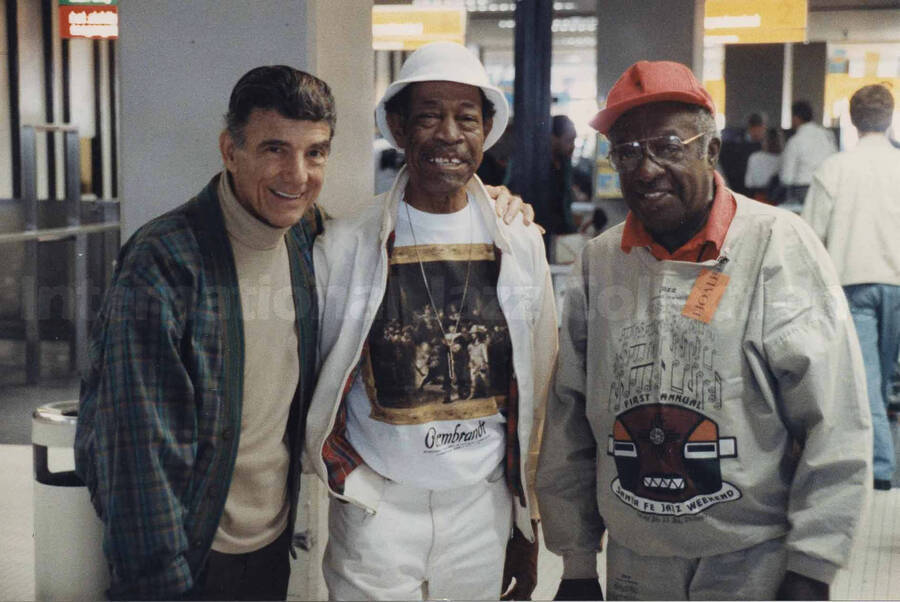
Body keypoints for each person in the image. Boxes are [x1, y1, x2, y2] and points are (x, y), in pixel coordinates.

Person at [73, 65, 530, 601]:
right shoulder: (166, 262)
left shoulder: (306, 239)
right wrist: (158, 582)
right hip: (187, 552)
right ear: (229, 150)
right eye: (273, 149)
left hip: (268, 541)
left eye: (314, 152)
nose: (297, 174)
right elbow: (134, 448)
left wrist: (495, 204)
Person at [536, 60, 872, 601]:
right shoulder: (601, 262)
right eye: (627, 151)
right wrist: (576, 563)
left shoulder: (777, 247)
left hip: (752, 560)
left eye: (668, 145)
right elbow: (570, 418)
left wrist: (813, 567)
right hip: (635, 560)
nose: (645, 169)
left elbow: (834, 416)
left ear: (710, 151)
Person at [305, 41, 557, 601]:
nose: (449, 134)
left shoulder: (519, 243)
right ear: (398, 128)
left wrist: (527, 517)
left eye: (466, 118)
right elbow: (318, 373)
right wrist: (348, 479)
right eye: (429, 117)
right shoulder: (345, 244)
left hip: (481, 507)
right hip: (377, 510)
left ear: (486, 131)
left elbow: (540, 383)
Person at [801, 83, 900, 492]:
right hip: (898, 283)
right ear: (890, 118)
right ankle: (881, 464)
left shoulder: (834, 169)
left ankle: (879, 469)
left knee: (866, 381)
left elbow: (809, 236)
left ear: (852, 121)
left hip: (852, 286)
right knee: (884, 378)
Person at [780, 100, 837, 203]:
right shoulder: (827, 135)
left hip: (803, 191)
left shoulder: (795, 140)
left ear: (795, 118)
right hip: (827, 188)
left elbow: (787, 178)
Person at [718, 112, 765, 196]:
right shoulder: (734, 144)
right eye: (761, 129)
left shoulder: (764, 146)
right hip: (738, 186)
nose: (762, 133)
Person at [744, 126, 784, 202]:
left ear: (764, 141)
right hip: (779, 199)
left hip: (759, 198)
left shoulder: (755, 157)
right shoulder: (785, 158)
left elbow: (748, 183)